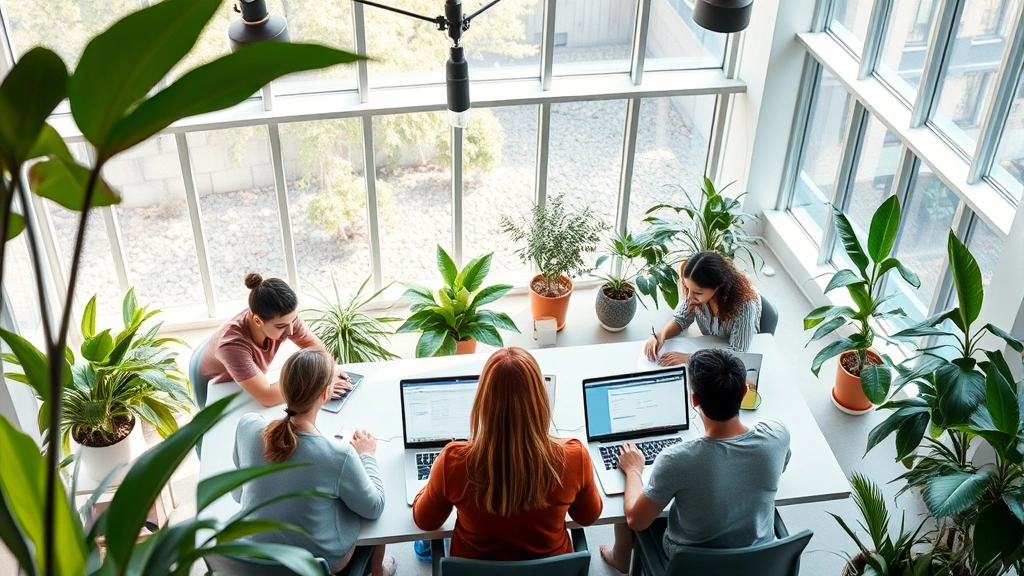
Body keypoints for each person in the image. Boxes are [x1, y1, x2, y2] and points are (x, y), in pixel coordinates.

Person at [599, 348, 791, 573]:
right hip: (756, 560)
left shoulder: (676, 459)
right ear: (744, 392)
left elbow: (636, 520)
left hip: (692, 565)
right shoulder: (777, 436)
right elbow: (781, 467)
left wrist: (633, 470)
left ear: (694, 399)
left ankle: (619, 556)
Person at [412, 347, 603, 560]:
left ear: (483, 402)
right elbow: (588, 517)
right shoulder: (574, 458)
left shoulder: (453, 462)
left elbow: (425, 521)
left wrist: (436, 475)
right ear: (540, 400)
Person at [232, 349, 395, 576]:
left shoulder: (248, 426)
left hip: (254, 561)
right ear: (325, 394)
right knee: (374, 526)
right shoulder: (338, 455)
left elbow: (239, 495)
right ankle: (378, 572)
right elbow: (374, 507)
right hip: (317, 566)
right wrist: (366, 455)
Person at [200, 272, 351, 407]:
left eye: (294, 320)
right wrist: (319, 385)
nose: (291, 330)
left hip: (250, 386)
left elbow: (319, 351)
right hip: (223, 396)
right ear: (258, 321)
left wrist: (329, 375)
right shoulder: (231, 346)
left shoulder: (284, 318)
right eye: (282, 326)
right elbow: (268, 397)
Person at [645, 251, 761, 365]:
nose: (690, 297)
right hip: (712, 347)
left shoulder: (745, 306)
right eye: (688, 288)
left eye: (698, 293)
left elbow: (738, 352)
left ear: (718, 287)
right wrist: (660, 335)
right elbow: (681, 320)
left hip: (737, 354)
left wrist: (690, 357)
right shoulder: (694, 295)